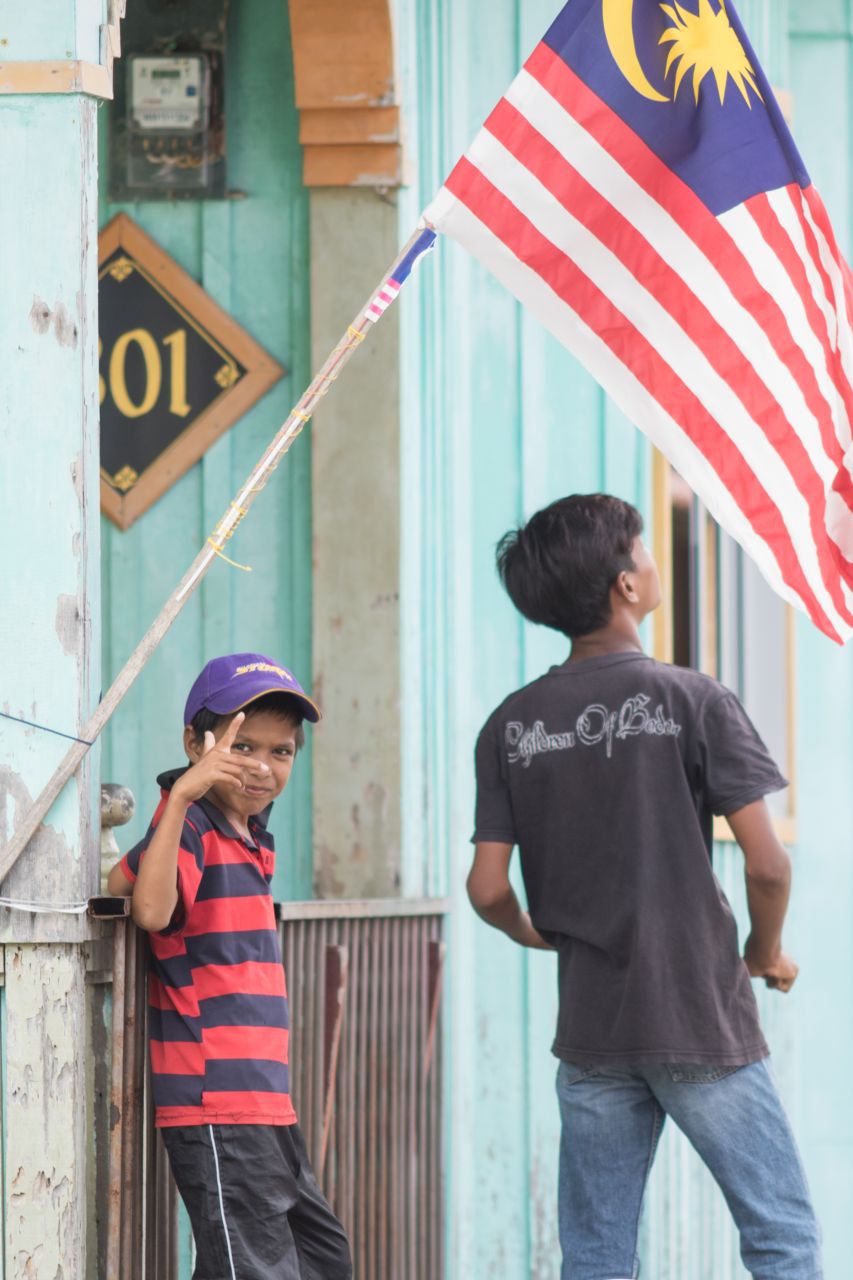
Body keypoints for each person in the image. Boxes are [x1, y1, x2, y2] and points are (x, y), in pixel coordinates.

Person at [466, 494, 822, 1280]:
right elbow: (767, 866)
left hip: (591, 1032)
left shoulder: (509, 725)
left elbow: (487, 888)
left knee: (596, 1254)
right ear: (626, 584)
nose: (653, 561)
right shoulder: (693, 700)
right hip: (698, 1019)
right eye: (645, 547)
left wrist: (537, 932)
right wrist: (763, 952)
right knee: (780, 1236)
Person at [107, 652, 352, 1280]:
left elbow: (119, 875)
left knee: (322, 1258)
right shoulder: (191, 826)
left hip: (264, 1100)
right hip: (217, 1101)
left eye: (281, 752)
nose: (263, 767)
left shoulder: (246, 834)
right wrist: (182, 797)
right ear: (197, 744)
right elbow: (151, 910)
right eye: (243, 747)